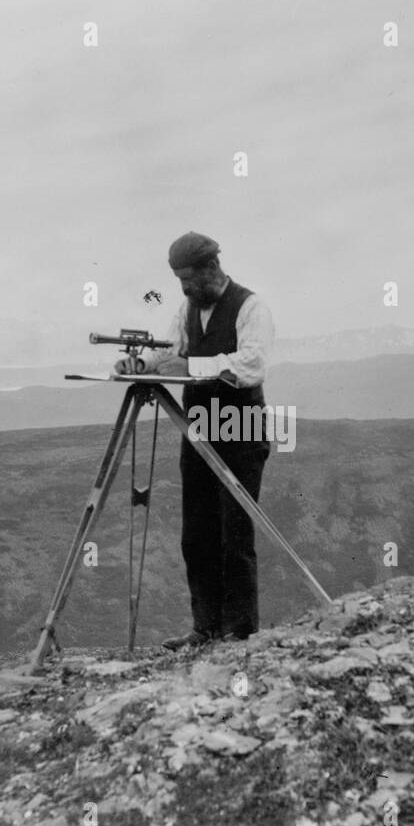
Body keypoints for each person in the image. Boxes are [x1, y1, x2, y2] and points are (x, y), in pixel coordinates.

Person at [113, 232, 275, 649]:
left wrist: (193, 364)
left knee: (234, 535)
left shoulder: (251, 307)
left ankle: (239, 632)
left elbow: (250, 365)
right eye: (179, 281)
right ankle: (205, 628)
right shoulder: (187, 309)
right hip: (199, 427)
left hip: (240, 429)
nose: (184, 289)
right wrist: (141, 361)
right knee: (197, 533)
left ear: (210, 269)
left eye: (188, 280)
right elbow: (169, 350)